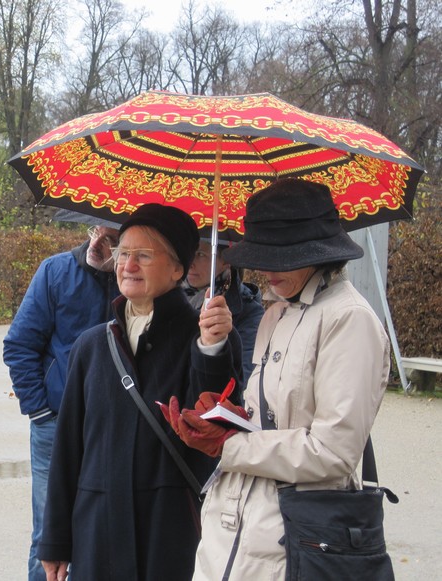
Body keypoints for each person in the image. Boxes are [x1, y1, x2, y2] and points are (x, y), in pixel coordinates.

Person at [163, 178, 390, 579]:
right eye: (262, 254)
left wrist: (230, 446)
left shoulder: (350, 320)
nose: (267, 269)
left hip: (297, 538)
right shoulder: (276, 313)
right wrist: (228, 417)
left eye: (281, 256)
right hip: (234, 530)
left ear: (319, 254)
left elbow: (333, 453)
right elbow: (267, 420)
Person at [37, 204, 242, 581]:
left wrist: (212, 349)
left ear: (178, 268)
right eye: (124, 253)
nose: (128, 265)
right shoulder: (91, 346)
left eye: (144, 255)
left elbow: (215, 431)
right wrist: (55, 541)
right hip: (98, 530)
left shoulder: (205, 340)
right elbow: (68, 450)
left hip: (172, 533)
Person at [3, 222, 121, 581]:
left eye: (119, 240)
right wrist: (41, 411)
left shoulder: (138, 282)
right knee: (49, 533)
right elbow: (19, 344)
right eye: (104, 233)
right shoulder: (56, 271)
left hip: (114, 427)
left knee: (107, 531)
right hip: (56, 423)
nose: (107, 244)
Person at [183, 237, 264, 386]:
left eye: (200, 254)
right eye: (189, 252)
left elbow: (244, 379)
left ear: (226, 260)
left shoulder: (248, 313)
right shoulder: (169, 297)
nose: (191, 262)